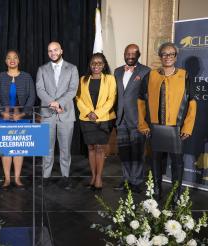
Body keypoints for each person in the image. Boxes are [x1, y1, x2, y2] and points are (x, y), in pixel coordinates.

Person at [138, 42, 196, 202]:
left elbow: (192, 103)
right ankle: (157, 190)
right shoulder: (151, 76)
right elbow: (141, 101)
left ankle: (176, 194)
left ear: (176, 57)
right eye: (164, 54)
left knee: (177, 162)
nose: (168, 57)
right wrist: (142, 124)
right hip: (155, 127)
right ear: (160, 57)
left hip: (176, 128)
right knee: (155, 160)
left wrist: (188, 127)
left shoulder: (184, 75)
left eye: (171, 54)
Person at [36, 41, 79, 189]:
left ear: (61, 50)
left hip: (65, 114)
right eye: (50, 51)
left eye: (55, 50)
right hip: (47, 115)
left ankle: (65, 176)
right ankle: (46, 177)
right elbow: (40, 90)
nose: (53, 53)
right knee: (46, 148)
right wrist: (53, 103)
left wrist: (59, 102)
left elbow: (73, 90)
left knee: (65, 148)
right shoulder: (42, 69)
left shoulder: (72, 68)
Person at [0, 50, 36, 189]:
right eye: (9, 58)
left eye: (15, 57)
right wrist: (1, 112)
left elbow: (32, 97)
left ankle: (17, 178)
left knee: (18, 149)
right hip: (3, 118)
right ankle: (7, 179)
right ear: (5, 61)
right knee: (5, 150)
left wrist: (22, 114)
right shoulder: (0, 77)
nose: (12, 60)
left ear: (18, 60)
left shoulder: (26, 77)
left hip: (21, 118)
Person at [76, 53, 116, 191]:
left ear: (104, 65)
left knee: (100, 148)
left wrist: (97, 113)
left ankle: (99, 177)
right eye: (93, 63)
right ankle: (93, 176)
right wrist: (88, 112)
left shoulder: (110, 79)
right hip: (86, 119)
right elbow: (78, 98)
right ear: (90, 65)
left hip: (103, 118)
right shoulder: (83, 79)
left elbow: (111, 99)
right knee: (91, 148)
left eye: (99, 63)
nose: (96, 65)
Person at [113, 44, 150, 193]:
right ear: (124, 54)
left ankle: (137, 181)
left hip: (137, 119)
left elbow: (148, 98)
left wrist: (146, 120)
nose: (130, 55)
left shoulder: (146, 71)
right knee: (124, 152)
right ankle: (126, 179)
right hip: (120, 119)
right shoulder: (117, 71)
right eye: (127, 53)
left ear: (138, 55)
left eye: (133, 53)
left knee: (137, 152)